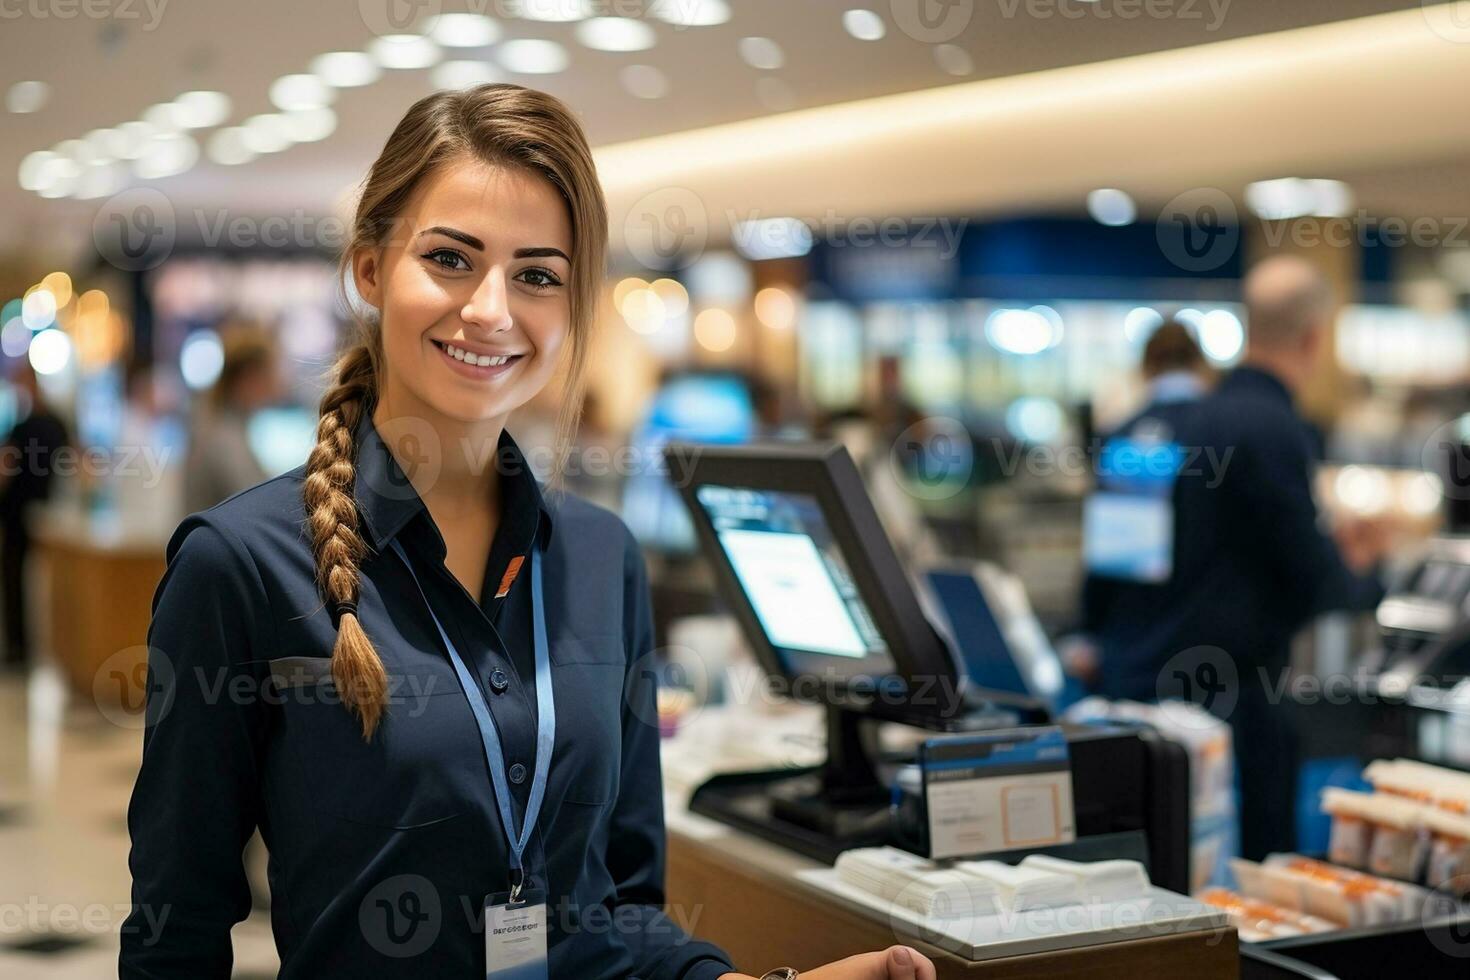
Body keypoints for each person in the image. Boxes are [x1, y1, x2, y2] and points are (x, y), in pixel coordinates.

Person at [120, 84, 934, 980]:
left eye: (537, 275)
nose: (492, 311)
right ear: (368, 270)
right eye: (450, 259)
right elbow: (176, 931)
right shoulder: (242, 565)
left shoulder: (600, 557)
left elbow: (618, 912)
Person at [1073, 256, 1389, 860]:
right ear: (1317, 337)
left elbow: (1109, 567)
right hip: (1230, 703)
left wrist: (1093, 637)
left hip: (1133, 685)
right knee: (1242, 873)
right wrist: (1360, 565)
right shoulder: (1268, 426)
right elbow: (1313, 574)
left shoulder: (1145, 431)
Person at [0, 361, 70, 668]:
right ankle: (38, 648)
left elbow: (6, 469)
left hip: (21, 514)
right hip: (47, 512)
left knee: (17, 580)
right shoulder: (56, 423)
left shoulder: (25, 426)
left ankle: (21, 648)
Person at [181, 324, 280, 515]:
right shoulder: (223, 437)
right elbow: (256, 503)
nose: (277, 383)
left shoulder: (218, 425)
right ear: (250, 377)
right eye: (270, 373)